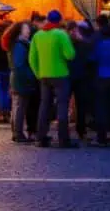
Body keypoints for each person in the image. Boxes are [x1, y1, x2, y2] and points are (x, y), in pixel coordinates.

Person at [30, 9, 77, 148]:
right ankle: (63, 139)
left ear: (47, 20)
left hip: (44, 75)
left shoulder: (38, 35)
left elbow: (32, 58)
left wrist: (38, 73)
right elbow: (70, 55)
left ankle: (40, 137)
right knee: (62, 106)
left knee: (44, 106)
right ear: (60, 21)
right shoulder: (61, 34)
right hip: (61, 75)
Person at [10, 22, 37, 143]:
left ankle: (18, 132)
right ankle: (18, 133)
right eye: (25, 29)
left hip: (22, 78)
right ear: (20, 31)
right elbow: (19, 64)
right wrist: (30, 76)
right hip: (22, 79)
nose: (28, 31)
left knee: (20, 106)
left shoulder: (23, 44)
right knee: (21, 106)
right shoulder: (20, 45)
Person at [68, 21, 95, 142]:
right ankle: (81, 130)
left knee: (64, 104)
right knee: (81, 105)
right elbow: (90, 61)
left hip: (67, 76)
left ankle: (63, 130)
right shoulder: (86, 44)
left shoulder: (66, 43)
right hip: (82, 77)